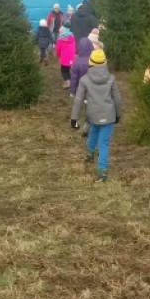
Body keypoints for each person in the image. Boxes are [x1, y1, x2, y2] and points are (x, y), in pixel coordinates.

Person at [71, 49, 122, 183]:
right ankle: (102, 172)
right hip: (109, 115)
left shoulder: (85, 80)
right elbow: (117, 98)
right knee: (104, 143)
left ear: (90, 62)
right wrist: (118, 114)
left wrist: (74, 119)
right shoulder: (111, 78)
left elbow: (78, 99)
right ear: (105, 62)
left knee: (94, 130)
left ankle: (90, 153)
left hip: (93, 114)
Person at [55, 25, 76, 90]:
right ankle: (70, 80)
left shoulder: (60, 39)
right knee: (68, 69)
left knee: (63, 70)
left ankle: (67, 81)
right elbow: (74, 47)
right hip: (71, 57)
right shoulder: (72, 38)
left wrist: (58, 55)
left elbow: (58, 49)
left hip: (64, 57)